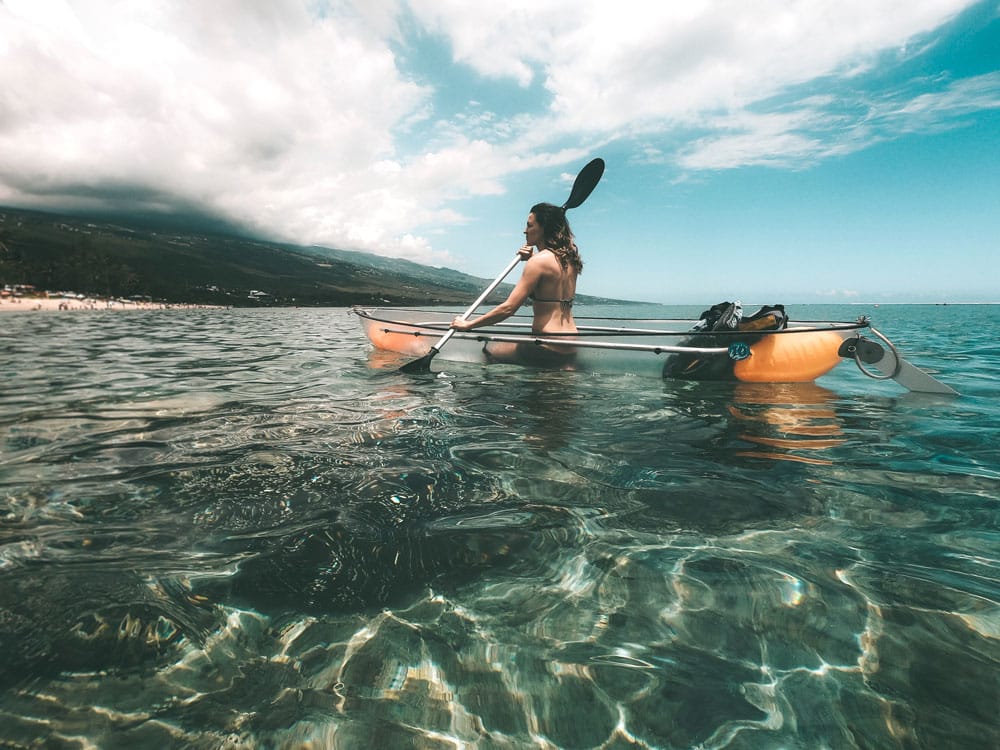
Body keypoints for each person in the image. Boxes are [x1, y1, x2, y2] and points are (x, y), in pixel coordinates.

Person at [450, 202, 583, 365]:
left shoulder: (538, 262)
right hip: (571, 343)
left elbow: (508, 308)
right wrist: (532, 257)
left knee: (490, 352)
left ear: (543, 228)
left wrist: (468, 325)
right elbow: (549, 292)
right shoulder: (571, 261)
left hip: (546, 343)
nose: (525, 230)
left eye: (529, 225)